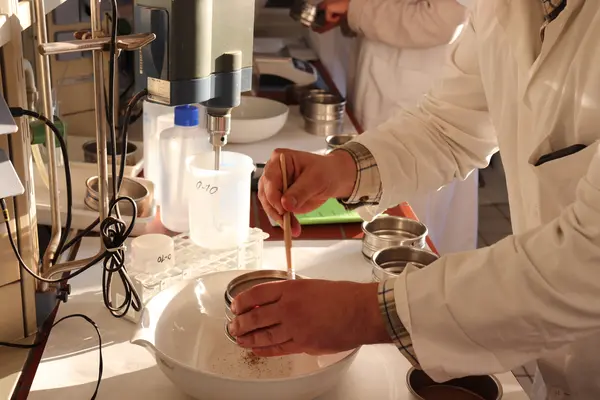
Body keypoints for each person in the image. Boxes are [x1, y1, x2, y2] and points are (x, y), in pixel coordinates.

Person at [227, 1, 600, 399]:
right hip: (559, 359)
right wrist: (341, 169)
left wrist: (362, 313)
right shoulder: (503, 7)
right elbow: (450, 125)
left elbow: (587, 257)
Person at [320, 0, 479, 254]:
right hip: (383, 80)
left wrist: (355, 10)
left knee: (414, 228)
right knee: (379, 221)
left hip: (421, 99)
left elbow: (442, 21)